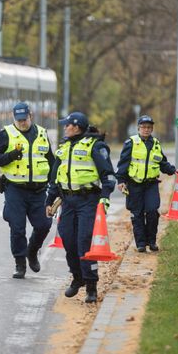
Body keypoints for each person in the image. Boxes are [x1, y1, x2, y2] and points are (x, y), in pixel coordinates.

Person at [45, 112, 116, 303]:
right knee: (68, 240)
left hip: (88, 200)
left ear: (75, 127)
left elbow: (108, 175)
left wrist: (105, 198)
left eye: (66, 125)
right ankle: (77, 278)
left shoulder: (96, 146)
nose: (64, 128)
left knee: (84, 242)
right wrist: (50, 200)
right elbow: (55, 177)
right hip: (67, 201)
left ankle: (91, 286)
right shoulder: (64, 147)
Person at [0, 102, 55, 279]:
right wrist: (10, 156)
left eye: (24, 119)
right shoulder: (5, 134)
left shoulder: (41, 133)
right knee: (17, 228)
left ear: (30, 116)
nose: (22, 123)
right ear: (13, 118)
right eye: (18, 120)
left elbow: (51, 160)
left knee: (44, 225)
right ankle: (20, 263)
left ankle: (32, 251)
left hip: (39, 190)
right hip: (15, 189)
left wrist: (56, 184)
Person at [115, 115, 178, 253]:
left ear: (152, 129)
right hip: (134, 184)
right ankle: (141, 243)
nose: (146, 129)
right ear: (138, 128)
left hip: (151, 184)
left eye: (149, 127)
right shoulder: (130, 143)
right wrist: (120, 180)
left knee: (152, 211)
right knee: (137, 214)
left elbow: (162, 162)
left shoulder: (155, 144)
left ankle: (152, 241)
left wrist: (172, 170)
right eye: (143, 127)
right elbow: (123, 164)